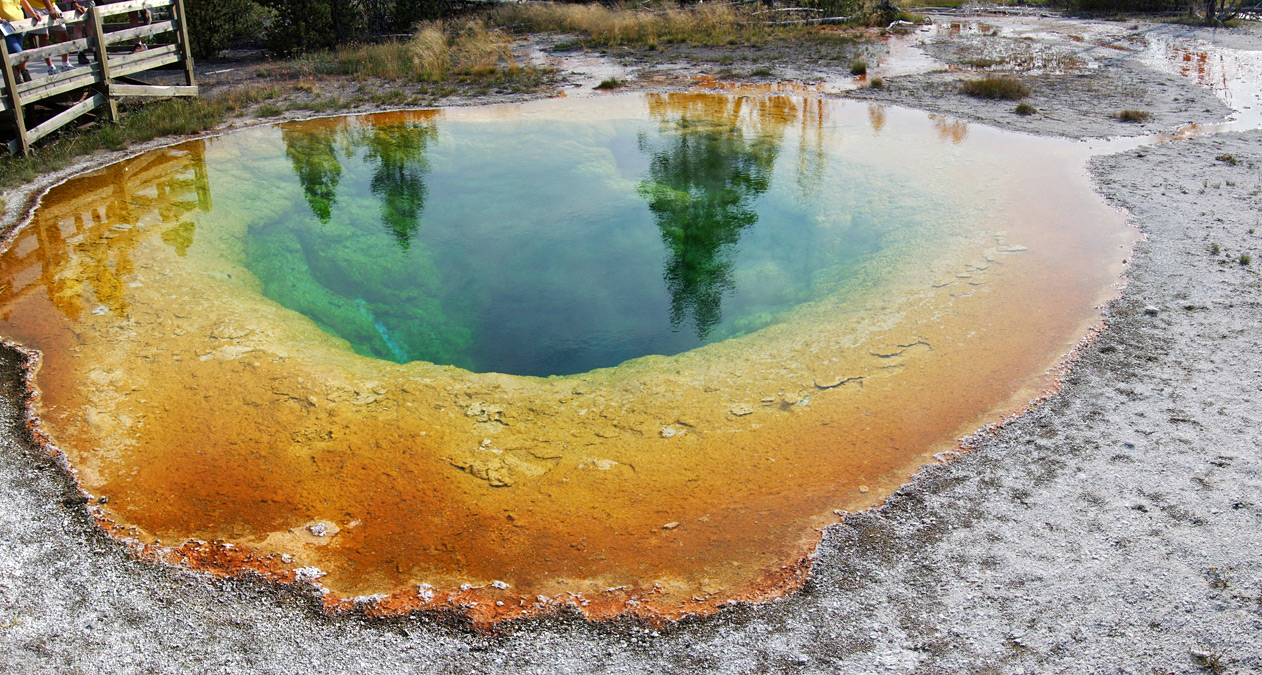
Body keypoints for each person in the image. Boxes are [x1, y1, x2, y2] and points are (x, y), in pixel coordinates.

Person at [0, 0, 42, 83]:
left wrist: (33, 13)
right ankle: (25, 73)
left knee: (14, 55)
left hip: (19, 25)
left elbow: (23, 1)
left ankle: (17, 80)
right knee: (18, 53)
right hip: (5, 27)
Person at [26, 0, 71, 75]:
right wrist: (50, 10)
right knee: (44, 36)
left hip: (51, 4)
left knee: (63, 32)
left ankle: (65, 63)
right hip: (35, 6)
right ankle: (50, 67)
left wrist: (74, 3)